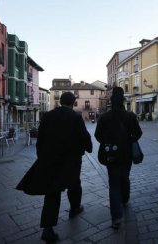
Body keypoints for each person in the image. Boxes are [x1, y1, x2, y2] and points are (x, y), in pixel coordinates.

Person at [16, 92, 92, 242]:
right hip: (71, 160)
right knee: (74, 183)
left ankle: (48, 229)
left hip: (50, 160)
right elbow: (84, 137)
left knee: (52, 192)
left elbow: (40, 138)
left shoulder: (48, 116)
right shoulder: (75, 117)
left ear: (60, 102)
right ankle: (74, 208)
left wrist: (42, 156)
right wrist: (88, 148)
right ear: (73, 102)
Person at [94, 87, 142, 230]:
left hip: (110, 154)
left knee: (113, 183)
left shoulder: (104, 117)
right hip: (126, 154)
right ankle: (125, 198)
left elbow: (97, 136)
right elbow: (138, 133)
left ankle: (116, 218)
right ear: (123, 100)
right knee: (125, 176)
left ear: (111, 100)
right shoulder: (130, 116)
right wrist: (129, 140)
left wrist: (107, 141)